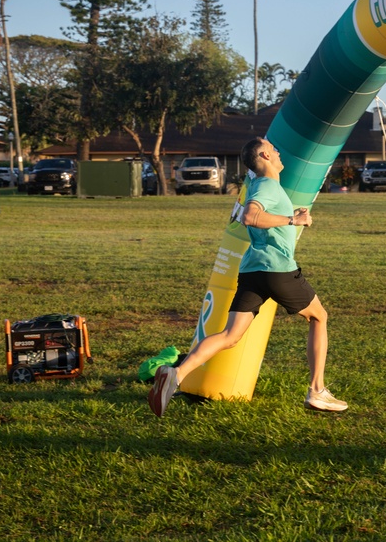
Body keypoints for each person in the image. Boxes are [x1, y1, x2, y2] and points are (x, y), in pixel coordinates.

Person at [148, 137, 347, 416]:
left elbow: (262, 216)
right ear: (265, 155)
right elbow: (251, 217)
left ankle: (176, 375)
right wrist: (293, 220)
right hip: (276, 269)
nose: (279, 152)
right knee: (319, 317)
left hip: (253, 269)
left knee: (230, 335)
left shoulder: (260, 185)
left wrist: (290, 213)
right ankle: (317, 391)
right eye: (274, 149)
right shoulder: (266, 185)